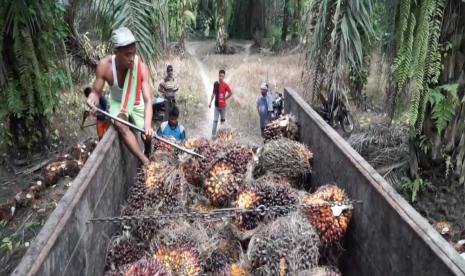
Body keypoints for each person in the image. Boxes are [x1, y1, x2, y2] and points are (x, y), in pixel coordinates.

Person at [86, 27, 154, 164]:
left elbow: (148, 101)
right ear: (116, 52)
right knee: (120, 125)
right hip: (117, 103)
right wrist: (92, 100)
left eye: (133, 53)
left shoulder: (141, 68)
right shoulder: (105, 66)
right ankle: (145, 161)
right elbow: (95, 92)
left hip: (136, 101)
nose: (131, 58)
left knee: (148, 136)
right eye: (127, 54)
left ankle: (147, 149)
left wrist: (147, 125)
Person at [208, 69, 232, 137]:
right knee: (215, 120)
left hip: (223, 107)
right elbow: (213, 93)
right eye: (220, 76)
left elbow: (230, 93)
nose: (221, 77)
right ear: (218, 76)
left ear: (224, 77)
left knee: (222, 122)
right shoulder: (216, 84)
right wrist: (210, 102)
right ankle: (213, 135)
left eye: (222, 76)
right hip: (216, 106)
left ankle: (222, 136)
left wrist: (225, 98)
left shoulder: (225, 85)